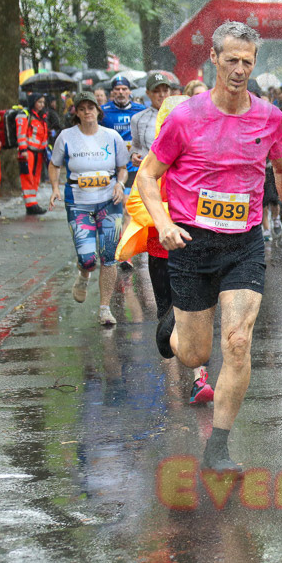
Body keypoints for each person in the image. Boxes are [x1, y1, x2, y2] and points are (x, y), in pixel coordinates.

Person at [138, 21, 282, 473]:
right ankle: (171, 326)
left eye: (247, 61)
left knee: (237, 341)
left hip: (243, 244)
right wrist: (164, 222)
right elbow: (146, 176)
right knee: (193, 354)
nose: (239, 69)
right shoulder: (185, 116)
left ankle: (219, 446)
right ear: (213, 58)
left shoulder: (269, 117)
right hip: (191, 241)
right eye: (231, 59)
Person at [116, 95, 214, 404]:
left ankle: (199, 379)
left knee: (196, 314)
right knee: (167, 318)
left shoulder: (204, 158)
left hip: (197, 251)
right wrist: (167, 219)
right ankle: (176, 373)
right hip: (161, 253)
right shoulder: (153, 161)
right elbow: (136, 202)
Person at [46, 91, 128, 325]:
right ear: (77, 113)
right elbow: (54, 165)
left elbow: (122, 167)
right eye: (81, 108)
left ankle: (104, 309)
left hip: (109, 202)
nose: (87, 111)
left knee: (109, 256)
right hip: (78, 203)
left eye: (90, 107)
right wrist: (54, 188)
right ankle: (84, 272)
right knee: (89, 258)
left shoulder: (112, 136)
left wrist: (120, 184)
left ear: (98, 110)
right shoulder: (66, 137)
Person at [101, 76, 146, 191]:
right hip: (111, 165)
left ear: (130, 91)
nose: (121, 92)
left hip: (133, 165)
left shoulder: (141, 110)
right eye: (117, 89)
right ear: (112, 92)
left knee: (128, 202)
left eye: (124, 89)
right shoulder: (102, 111)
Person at [129, 73, 172, 168]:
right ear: (148, 93)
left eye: (165, 90)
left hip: (175, 174)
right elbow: (136, 145)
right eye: (156, 91)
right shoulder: (138, 119)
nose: (162, 95)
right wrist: (134, 154)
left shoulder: (181, 115)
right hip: (149, 174)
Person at [17, 93, 49, 215]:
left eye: (43, 102)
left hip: (39, 153)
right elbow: (21, 133)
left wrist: (46, 150)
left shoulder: (42, 116)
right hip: (27, 152)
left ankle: (32, 202)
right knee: (27, 177)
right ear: (33, 102)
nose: (42, 105)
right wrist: (23, 150)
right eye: (39, 102)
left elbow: (43, 135)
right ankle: (30, 204)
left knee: (36, 179)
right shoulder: (25, 115)